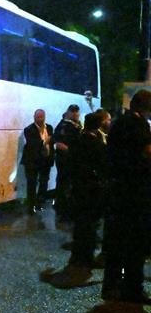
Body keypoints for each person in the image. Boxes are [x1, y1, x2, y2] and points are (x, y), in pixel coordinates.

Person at [41, 109, 110, 288]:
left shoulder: (78, 141)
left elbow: (70, 164)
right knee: (90, 224)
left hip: (79, 189)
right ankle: (85, 257)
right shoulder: (96, 143)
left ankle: (79, 257)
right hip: (92, 190)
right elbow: (103, 165)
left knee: (81, 224)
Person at [101, 89, 151, 304]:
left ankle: (111, 285)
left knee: (116, 241)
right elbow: (147, 154)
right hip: (134, 194)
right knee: (135, 243)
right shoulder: (138, 125)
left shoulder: (119, 123)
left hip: (117, 192)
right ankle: (132, 287)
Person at [21, 109, 54, 214]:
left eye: (42, 117)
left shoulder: (49, 128)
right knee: (32, 183)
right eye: (38, 117)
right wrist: (45, 142)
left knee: (44, 182)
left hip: (46, 160)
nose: (40, 119)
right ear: (34, 117)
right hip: (33, 160)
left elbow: (52, 141)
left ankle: (39, 203)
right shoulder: (29, 129)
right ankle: (31, 206)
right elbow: (33, 144)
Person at [52, 104, 82, 222]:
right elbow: (57, 139)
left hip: (71, 158)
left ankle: (64, 206)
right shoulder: (64, 125)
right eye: (73, 112)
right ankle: (62, 207)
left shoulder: (76, 125)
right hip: (65, 159)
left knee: (66, 183)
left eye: (77, 112)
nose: (76, 114)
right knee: (64, 182)